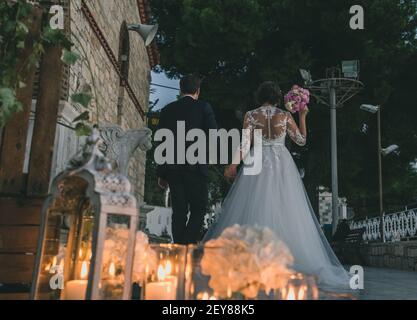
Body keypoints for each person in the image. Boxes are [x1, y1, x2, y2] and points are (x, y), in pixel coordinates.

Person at [203, 81, 350, 290]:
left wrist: (233, 165)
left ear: (259, 96)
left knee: (254, 206)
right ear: (278, 97)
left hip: (258, 161)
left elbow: (245, 144)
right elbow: (300, 140)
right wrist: (303, 116)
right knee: (285, 208)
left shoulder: (251, 115)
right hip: (282, 163)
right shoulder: (285, 116)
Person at [156, 74, 217, 244]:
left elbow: (161, 142)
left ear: (180, 89)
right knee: (199, 209)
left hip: (173, 168)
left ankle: (178, 247)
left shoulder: (167, 110)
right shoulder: (204, 107)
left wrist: (161, 173)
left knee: (179, 211)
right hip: (196, 167)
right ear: (198, 91)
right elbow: (213, 135)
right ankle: (186, 246)